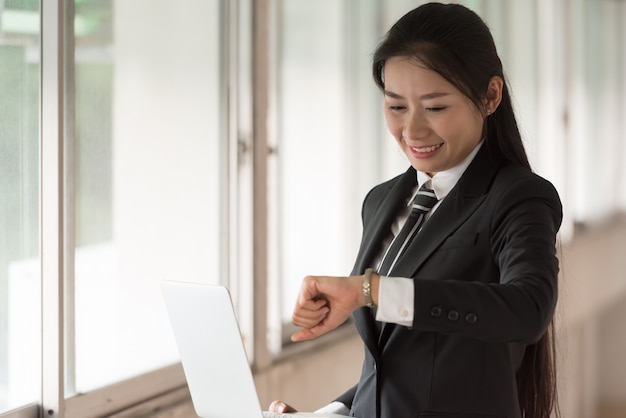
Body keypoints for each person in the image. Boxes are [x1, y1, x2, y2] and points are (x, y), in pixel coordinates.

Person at [269, 3, 562, 418]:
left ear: (490, 95)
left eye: (436, 107)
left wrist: (368, 291)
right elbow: (403, 364)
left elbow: (527, 309)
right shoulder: (381, 202)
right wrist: (328, 413)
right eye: (396, 106)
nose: (412, 131)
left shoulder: (518, 197)